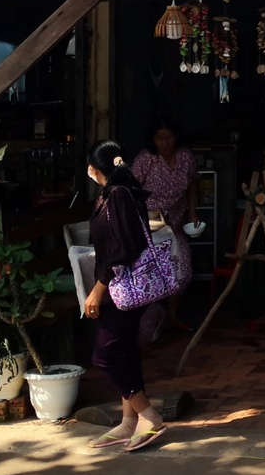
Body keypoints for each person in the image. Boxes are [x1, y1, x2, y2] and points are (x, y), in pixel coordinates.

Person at [83, 140, 167, 451]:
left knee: (103, 356)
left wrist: (96, 291)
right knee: (125, 351)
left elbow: (121, 251)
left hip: (121, 289)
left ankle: (148, 415)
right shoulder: (119, 194)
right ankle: (128, 422)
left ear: (95, 170)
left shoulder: (118, 197)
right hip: (122, 289)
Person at [131, 118, 197, 331]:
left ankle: (172, 314)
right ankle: (150, 319)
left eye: (169, 138)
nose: (165, 143)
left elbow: (192, 185)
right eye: (160, 139)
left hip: (175, 222)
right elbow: (130, 191)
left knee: (182, 268)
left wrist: (192, 213)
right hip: (148, 224)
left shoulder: (185, 157)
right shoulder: (145, 159)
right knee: (150, 270)